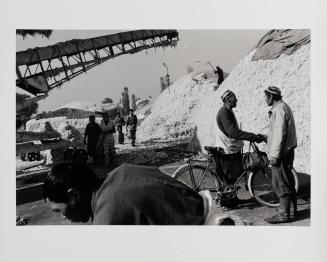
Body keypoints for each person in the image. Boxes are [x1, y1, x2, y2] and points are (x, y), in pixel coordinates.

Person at [43, 162, 231, 225]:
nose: (63, 217)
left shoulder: (107, 219)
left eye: (59, 210)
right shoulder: (121, 172)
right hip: (209, 213)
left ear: (74, 196)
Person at [216, 90, 264, 208]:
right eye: (234, 98)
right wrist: (253, 137)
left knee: (231, 178)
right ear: (228, 99)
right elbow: (233, 133)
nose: (236, 100)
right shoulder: (224, 113)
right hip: (227, 150)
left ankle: (231, 200)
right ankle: (227, 202)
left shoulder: (228, 111)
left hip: (230, 148)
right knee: (229, 177)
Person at [263, 86, 297, 224]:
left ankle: (283, 215)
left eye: (266, 97)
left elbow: (279, 135)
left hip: (281, 153)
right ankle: (293, 210)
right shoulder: (283, 107)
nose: (265, 100)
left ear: (271, 97)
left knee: (281, 183)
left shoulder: (279, 110)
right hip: (286, 151)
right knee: (288, 180)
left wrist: (275, 155)